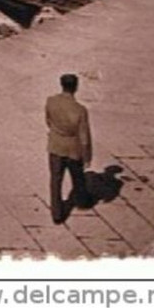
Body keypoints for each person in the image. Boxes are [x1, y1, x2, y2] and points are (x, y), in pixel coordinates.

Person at [46, 73, 93, 223]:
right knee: (78, 177)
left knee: (55, 180)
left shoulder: (51, 101)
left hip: (55, 145)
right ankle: (82, 201)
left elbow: (48, 121)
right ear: (76, 87)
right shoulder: (80, 110)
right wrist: (87, 156)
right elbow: (84, 137)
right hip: (73, 148)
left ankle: (57, 214)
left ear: (61, 85)